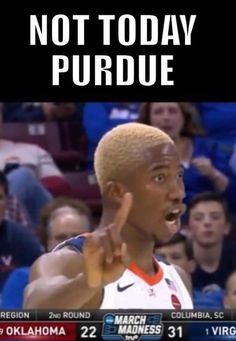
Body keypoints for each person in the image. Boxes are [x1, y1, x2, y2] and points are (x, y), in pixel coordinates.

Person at [24, 122, 193, 310]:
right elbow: (33, 311)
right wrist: (87, 284)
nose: (178, 192)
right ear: (117, 192)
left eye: (178, 176)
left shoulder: (178, 278)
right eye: (160, 178)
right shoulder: (70, 262)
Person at [1, 197, 93, 309]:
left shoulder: (111, 275)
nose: (70, 243)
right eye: (61, 238)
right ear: (47, 241)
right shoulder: (21, 279)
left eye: (77, 237)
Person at [186, 192, 236, 291]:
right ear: (188, 228)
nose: (207, 223)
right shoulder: (179, 261)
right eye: (198, 218)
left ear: (227, 227)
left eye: (215, 217)